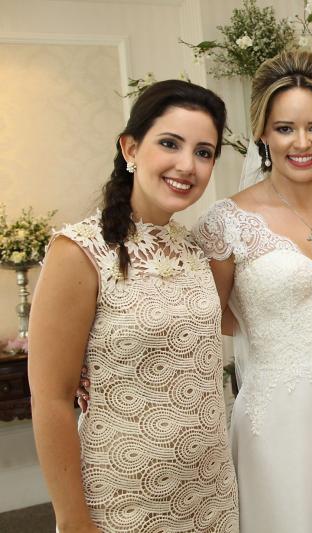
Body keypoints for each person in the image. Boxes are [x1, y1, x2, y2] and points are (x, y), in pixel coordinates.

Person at [28, 80, 238, 532]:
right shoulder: (78, 252)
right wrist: (72, 519)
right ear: (130, 148)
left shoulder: (195, 248)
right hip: (123, 498)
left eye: (203, 152)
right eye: (170, 143)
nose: (187, 165)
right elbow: (50, 400)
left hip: (212, 494)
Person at [192, 50, 312, 533]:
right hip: (273, 420)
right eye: (285, 128)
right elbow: (205, 321)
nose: (302, 143)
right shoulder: (226, 222)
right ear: (262, 132)